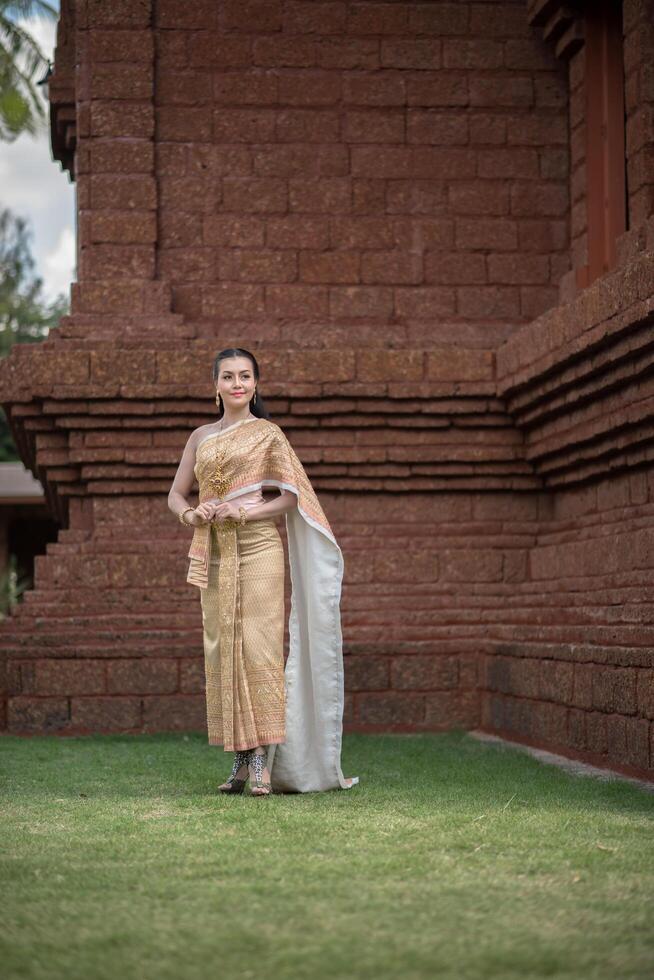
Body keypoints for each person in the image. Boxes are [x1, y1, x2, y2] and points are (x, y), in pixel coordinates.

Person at [168, 347, 358, 797]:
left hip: (259, 549)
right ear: (214, 385)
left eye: (246, 376)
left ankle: (262, 762)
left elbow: (293, 497)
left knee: (260, 648)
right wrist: (191, 515)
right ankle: (240, 757)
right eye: (229, 376)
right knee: (224, 649)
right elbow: (176, 494)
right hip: (215, 551)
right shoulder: (200, 437)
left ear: (256, 384)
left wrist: (243, 512)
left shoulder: (268, 434)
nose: (238, 383)